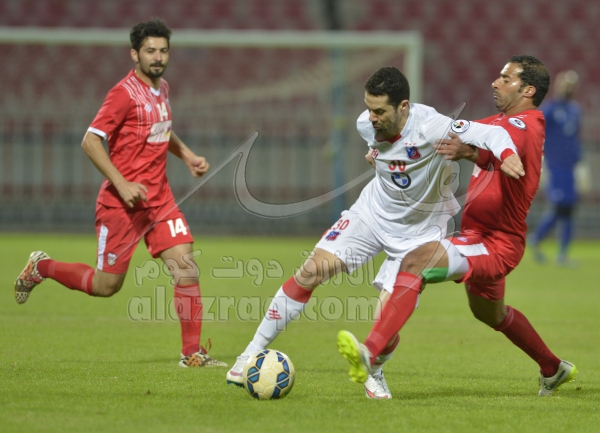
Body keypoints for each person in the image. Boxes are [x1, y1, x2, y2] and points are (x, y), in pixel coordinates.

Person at [226, 66, 525, 399]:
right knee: (311, 271)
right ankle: (248, 354)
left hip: (420, 234)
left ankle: (375, 371)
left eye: (380, 111)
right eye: (369, 108)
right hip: (372, 215)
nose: (372, 117)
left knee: (388, 316)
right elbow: (381, 153)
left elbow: (491, 134)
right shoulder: (365, 125)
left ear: (403, 106)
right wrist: (378, 159)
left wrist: (508, 155)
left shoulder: (432, 126)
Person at [338, 55, 577, 397]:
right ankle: (553, 368)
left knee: (416, 262)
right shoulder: (497, 121)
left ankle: (370, 353)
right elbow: (443, 132)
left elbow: (511, 144)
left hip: (496, 243)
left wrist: (476, 154)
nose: (495, 82)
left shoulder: (528, 122)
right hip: (479, 236)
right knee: (490, 313)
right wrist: (384, 148)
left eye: (506, 78)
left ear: (528, 90)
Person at [13, 19, 227, 368]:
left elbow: (161, 128)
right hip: (121, 205)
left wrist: (187, 155)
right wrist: (122, 183)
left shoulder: (162, 88)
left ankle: (192, 354)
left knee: (185, 267)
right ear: (135, 54)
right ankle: (43, 266)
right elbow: (90, 141)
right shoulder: (123, 94)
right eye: (150, 51)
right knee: (106, 286)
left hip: (159, 200)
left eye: (163, 51)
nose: (158, 57)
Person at [530, 70, 581, 265]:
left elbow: (575, 138)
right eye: (566, 85)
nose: (569, 89)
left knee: (569, 208)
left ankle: (560, 252)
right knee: (560, 206)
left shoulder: (575, 111)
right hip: (555, 165)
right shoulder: (550, 110)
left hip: (570, 167)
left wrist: (580, 162)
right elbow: (537, 134)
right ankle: (538, 239)